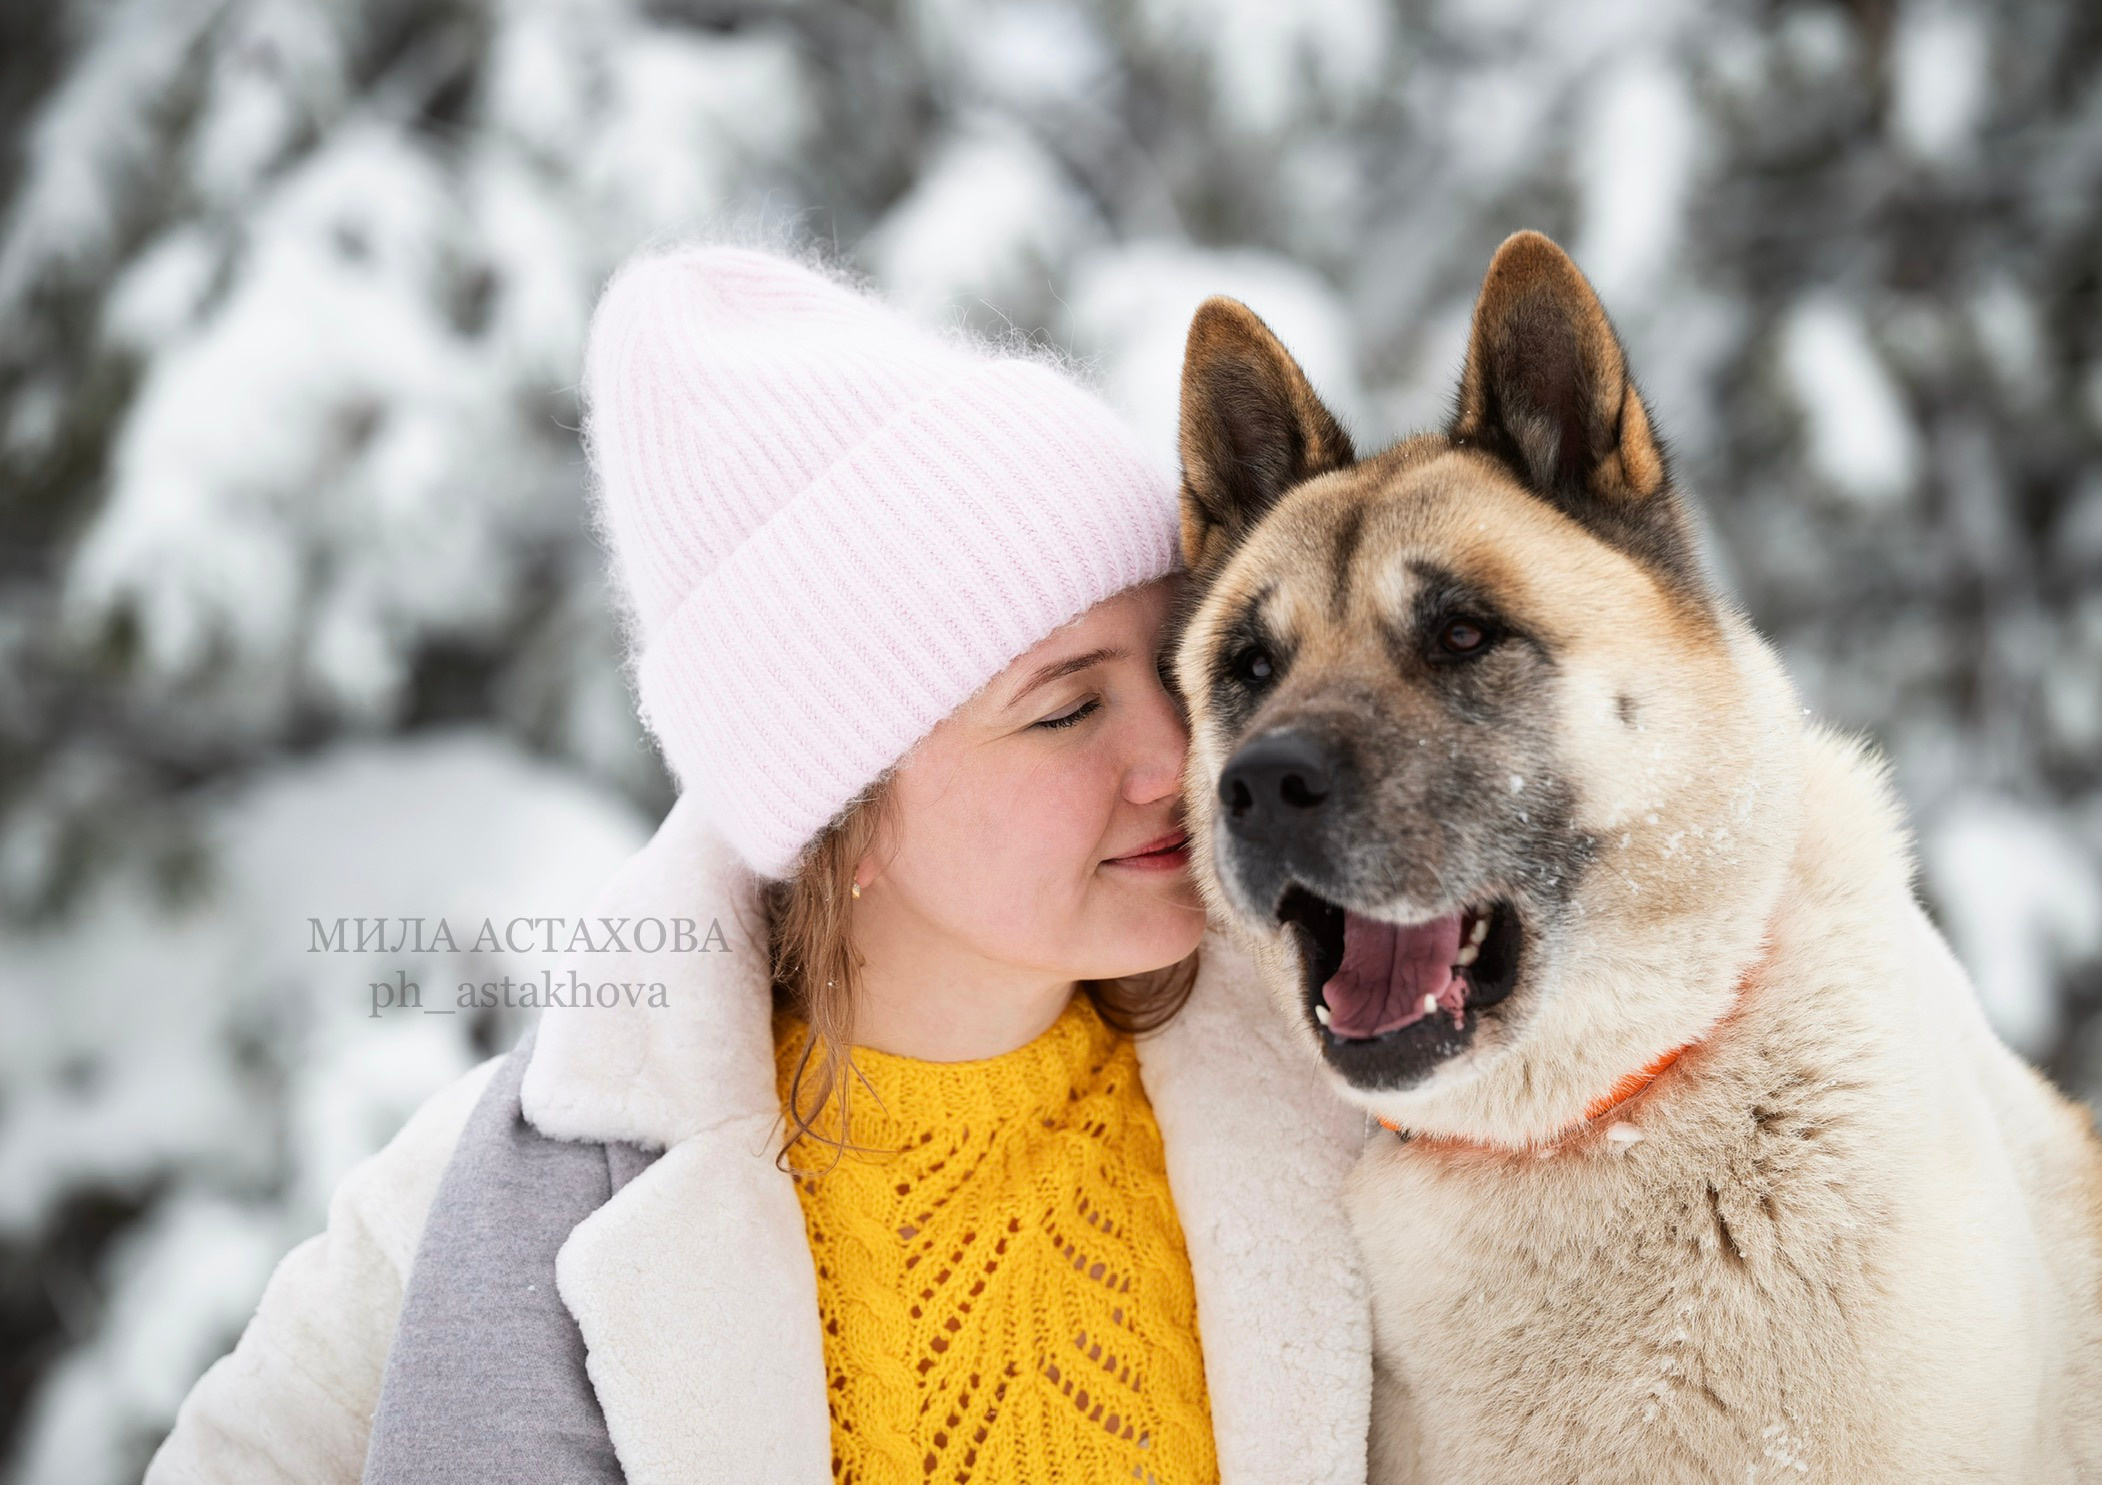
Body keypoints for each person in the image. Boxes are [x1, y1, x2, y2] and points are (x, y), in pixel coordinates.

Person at [145, 246, 1372, 1484]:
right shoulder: (522, 1198)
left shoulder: (1340, 1060)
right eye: (1063, 711)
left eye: (1177, 669)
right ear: (848, 812)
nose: (1179, 754)